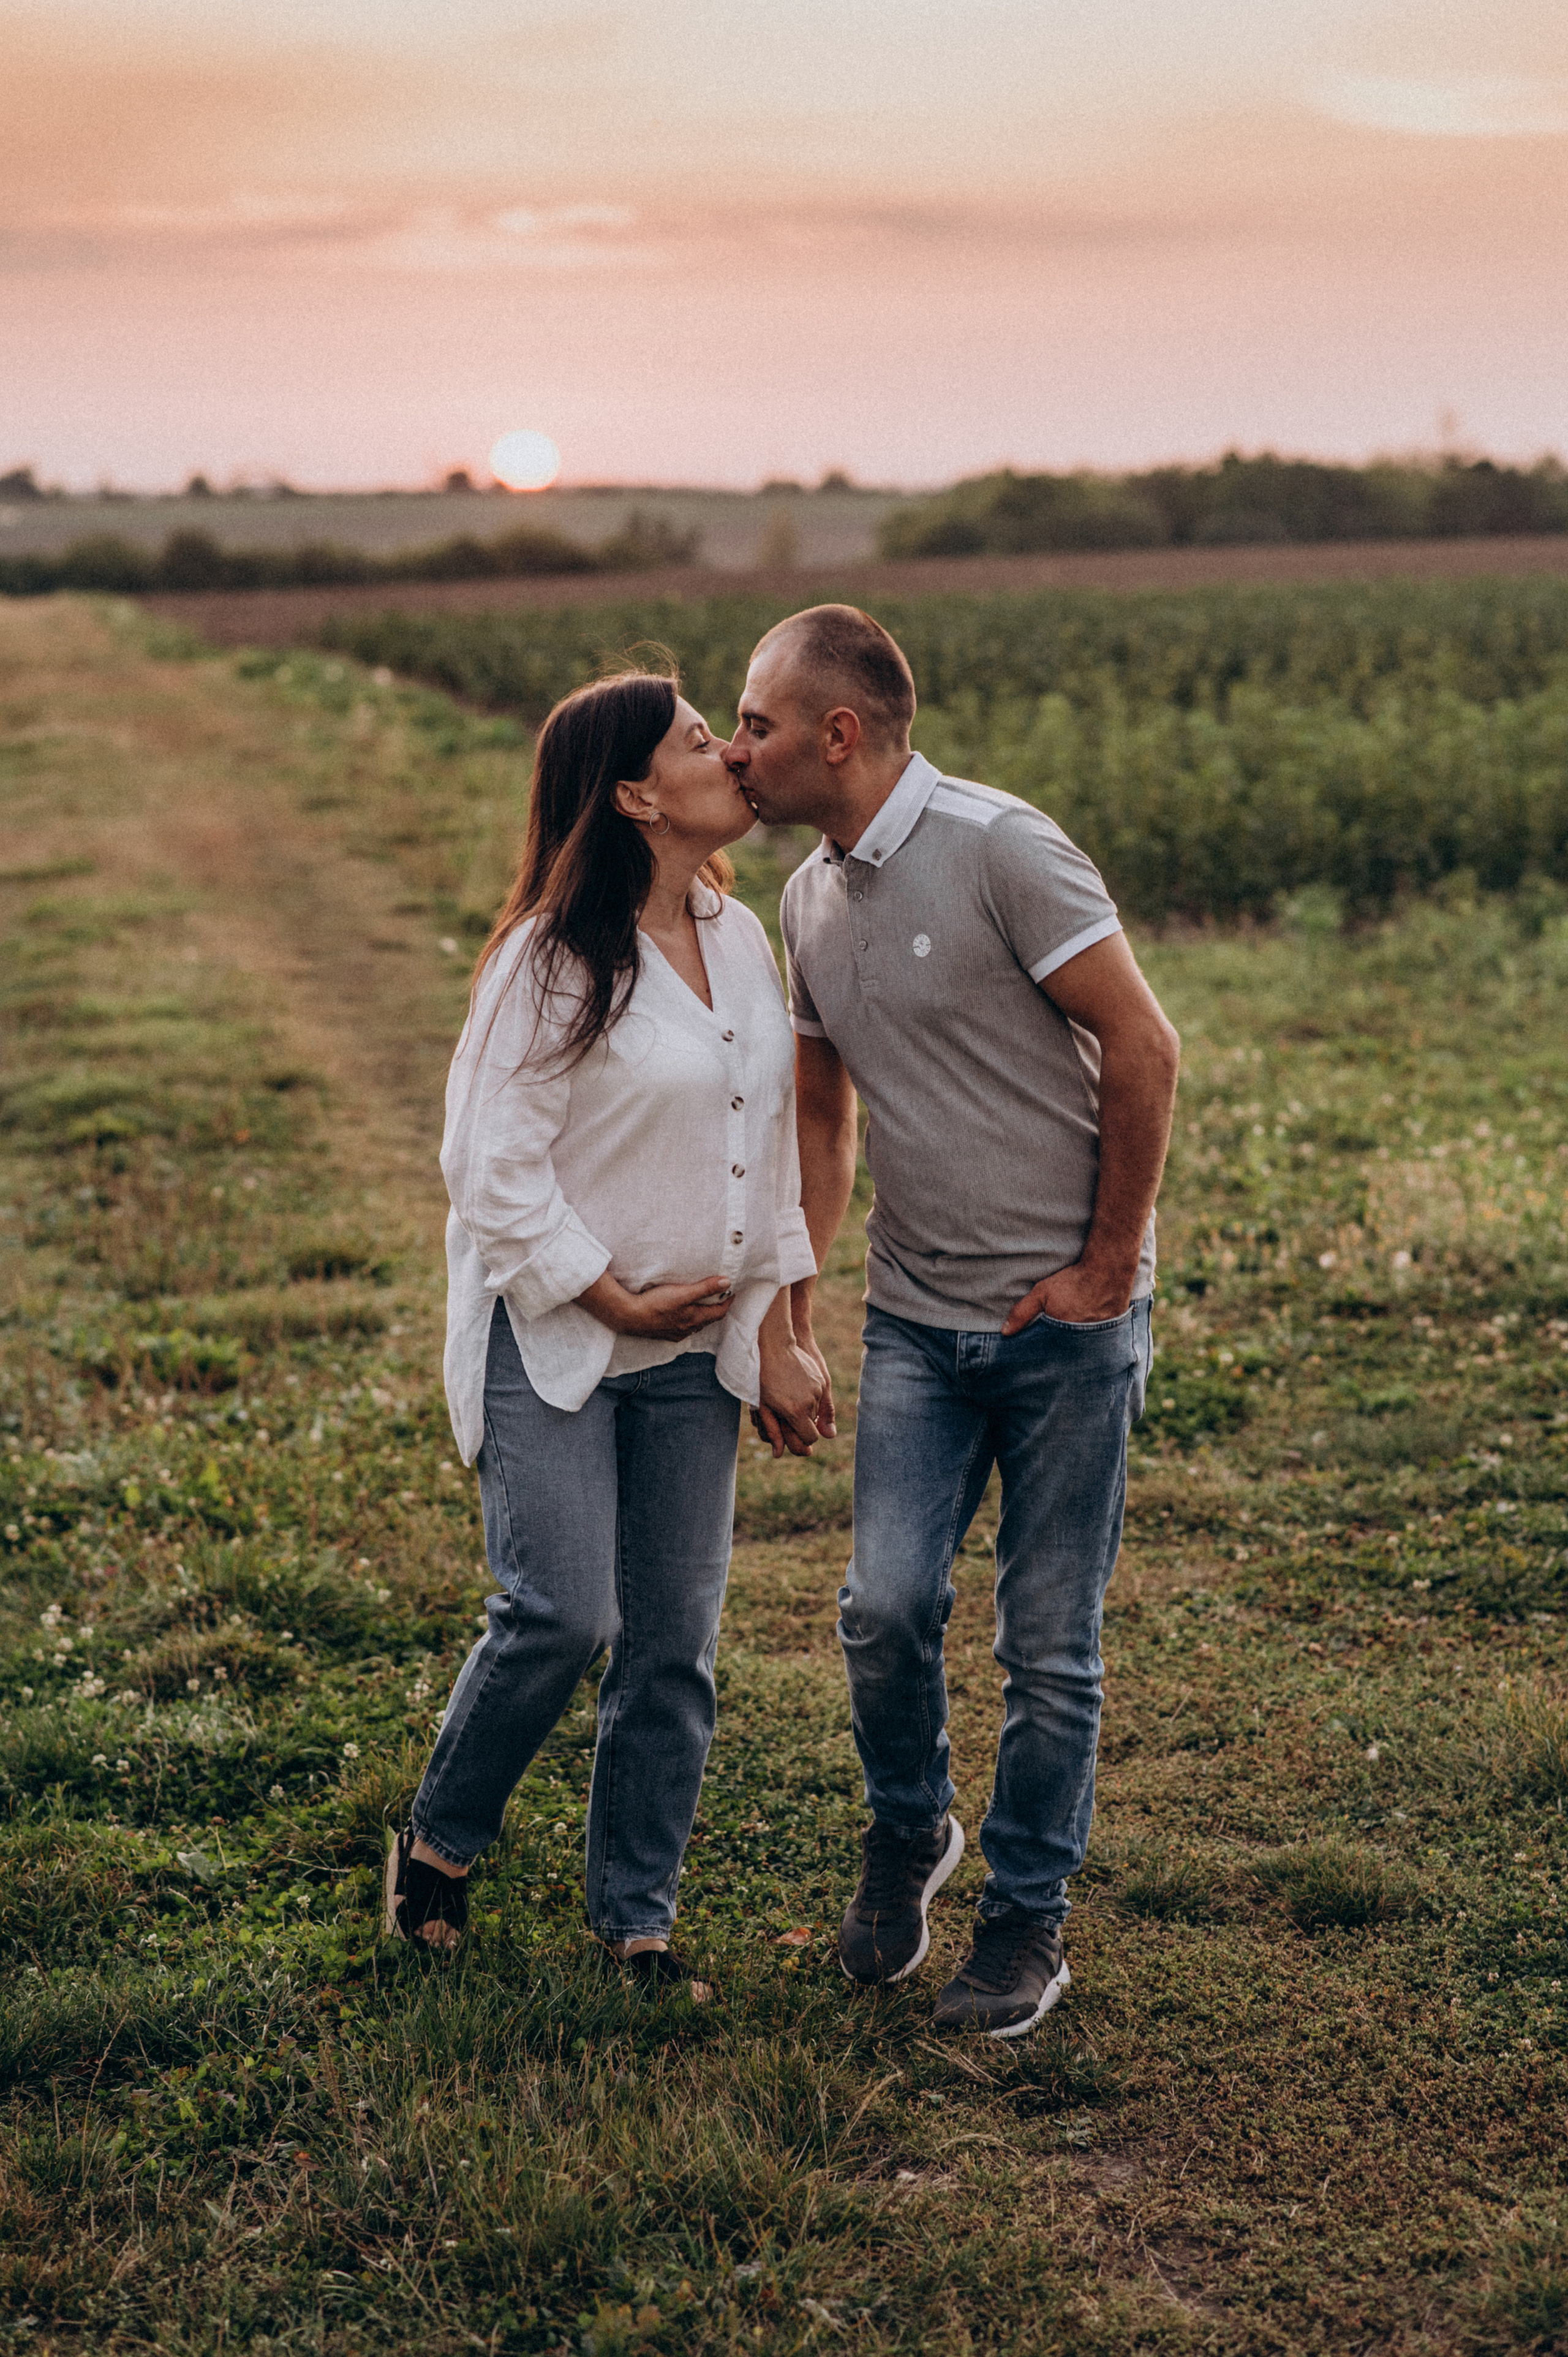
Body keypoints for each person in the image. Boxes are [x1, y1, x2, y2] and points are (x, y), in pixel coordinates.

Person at [725, 606, 1180, 2037]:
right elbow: (819, 1109)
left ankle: (1025, 1919)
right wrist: (792, 1313)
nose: (735, 749)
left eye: (754, 723)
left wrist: (1106, 1266)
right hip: (918, 1326)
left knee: (1048, 1645)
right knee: (880, 1606)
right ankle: (909, 1830)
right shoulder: (802, 899)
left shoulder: (1001, 847)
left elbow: (1145, 1043)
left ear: (836, 734)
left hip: (1061, 1324)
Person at [385, 669, 830, 1985]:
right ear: (637, 794)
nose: (733, 757)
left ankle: (636, 1922)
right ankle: (439, 1844)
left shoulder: (741, 942)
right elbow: (488, 1168)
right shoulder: (550, 959)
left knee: (673, 1648)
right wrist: (607, 1291)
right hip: (561, 1339)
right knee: (558, 1615)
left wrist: (783, 1325)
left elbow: (769, 1158)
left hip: (694, 1353)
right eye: (704, 741)